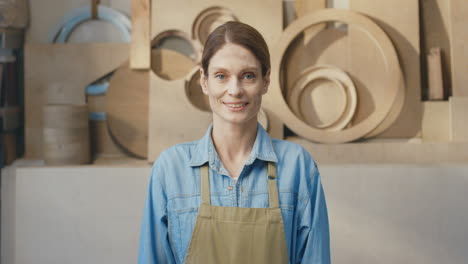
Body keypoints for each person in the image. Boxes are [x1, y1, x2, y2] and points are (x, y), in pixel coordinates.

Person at [138, 21, 330, 264]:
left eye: (248, 76)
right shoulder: (171, 169)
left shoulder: (298, 167)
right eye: (221, 76)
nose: (235, 89)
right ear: (204, 81)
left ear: (266, 80)